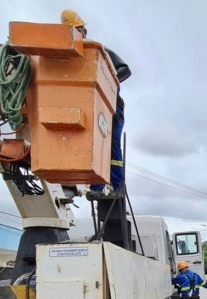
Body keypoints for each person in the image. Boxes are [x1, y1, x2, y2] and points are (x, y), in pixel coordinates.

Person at [61, 9, 130, 194]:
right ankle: (95, 187)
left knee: (111, 147)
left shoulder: (96, 51)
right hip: (85, 109)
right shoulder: (64, 57)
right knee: (88, 146)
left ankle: (117, 186)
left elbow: (125, 70)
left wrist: (105, 83)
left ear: (82, 31)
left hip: (110, 110)